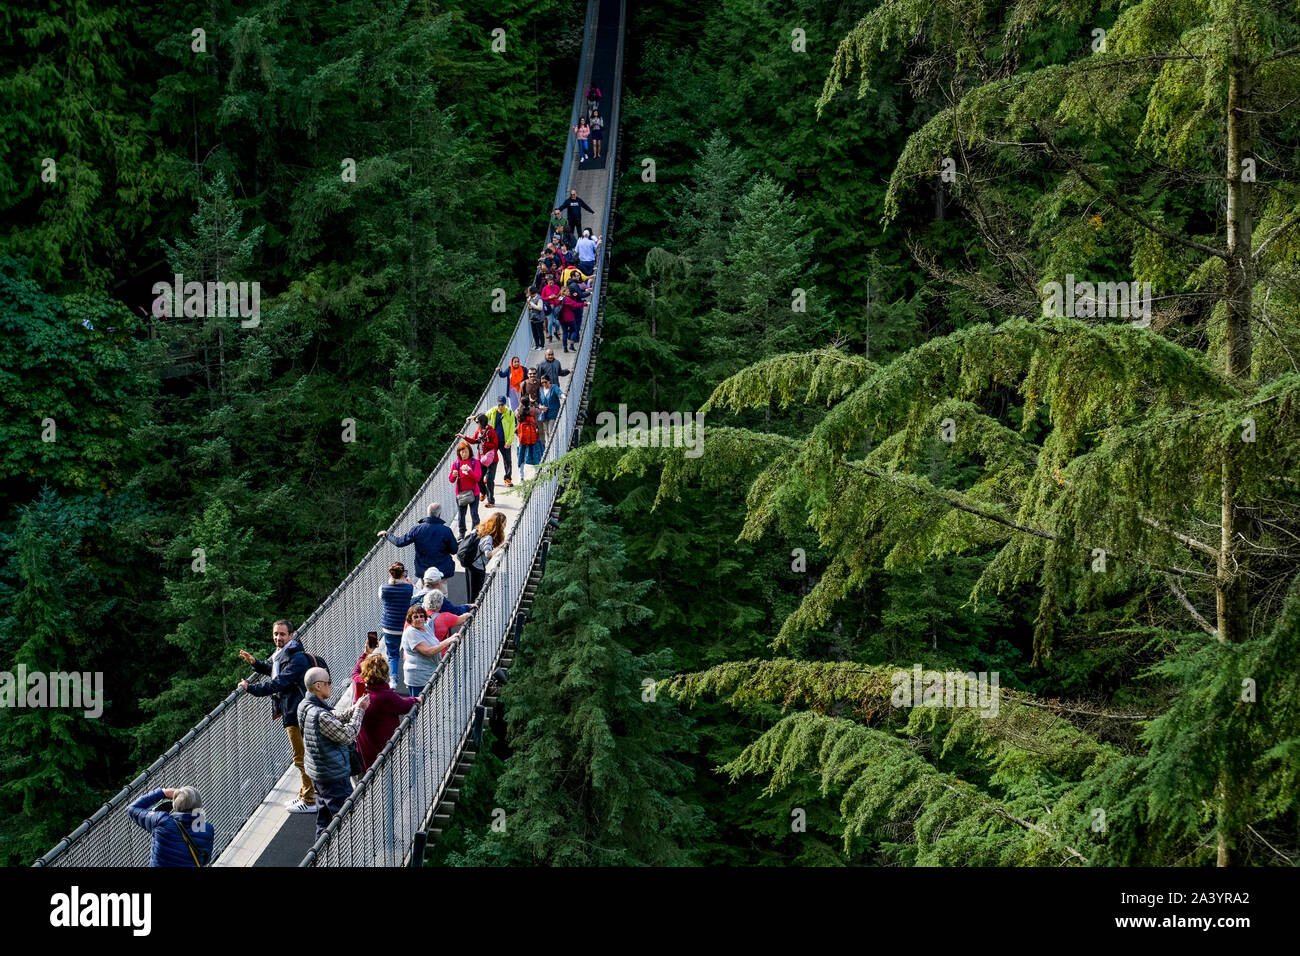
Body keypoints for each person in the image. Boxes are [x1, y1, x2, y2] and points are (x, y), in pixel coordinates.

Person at [238, 620, 326, 814]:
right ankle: (305, 793)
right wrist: (256, 664)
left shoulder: (297, 658)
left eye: (282, 634)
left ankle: (310, 800)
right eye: (275, 634)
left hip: (296, 712)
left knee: (301, 756)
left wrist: (250, 688)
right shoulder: (285, 654)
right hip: (292, 709)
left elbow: (279, 682)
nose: (278, 637)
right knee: (302, 755)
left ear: (291, 635)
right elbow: (275, 670)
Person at [297, 667, 369, 840]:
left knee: (324, 818)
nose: (331, 685)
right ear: (319, 685)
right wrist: (360, 711)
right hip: (333, 775)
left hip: (318, 772)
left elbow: (333, 717)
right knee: (344, 818)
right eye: (329, 683)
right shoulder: (319, 715)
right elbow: (347, 736)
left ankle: (320, 853)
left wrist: (355, 707)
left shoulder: (304, 705)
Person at [354, 656, 417, 773]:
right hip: (383, 749)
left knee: (367, 779)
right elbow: (404, 706)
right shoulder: (385, 696)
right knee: (385, 778)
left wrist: (365, 654)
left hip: (364, 747)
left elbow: (355, 673)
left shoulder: (360, 687)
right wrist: (415, 700)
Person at [127, 786, 215, 867]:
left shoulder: (162, 821)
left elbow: (132, 808)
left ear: (175, 804)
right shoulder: (207, 829)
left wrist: (163, 792)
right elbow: (205, 860)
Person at [376, 502, 457, 582]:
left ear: (428, 513)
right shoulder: (446, 531)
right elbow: (454, 550)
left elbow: (399, 542)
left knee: (425, 593)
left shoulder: (417, 529)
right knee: (441, 594)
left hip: (423, 571)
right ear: (439, 515)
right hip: (441, 571)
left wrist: (387, 534)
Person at [401, 605, 463, 697]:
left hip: (430, 673)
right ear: (410, 619)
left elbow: (435, 645)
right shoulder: (411, 632)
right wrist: (448, 641)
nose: (419, 619)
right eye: (415, 617)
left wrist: (468, 611)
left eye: (421, 616)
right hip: (419, 678)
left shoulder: (426, 627)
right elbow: (428, 651)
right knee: (421, 707)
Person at [377, 562, 413, 689]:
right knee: (409, 651)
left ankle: (393, 681)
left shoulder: (383, 588)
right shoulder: (409, 588)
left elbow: (382, 597)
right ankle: (410, 680)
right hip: (405, 626)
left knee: (392, 654)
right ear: (403, 574)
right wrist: (409, 583)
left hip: (389, 627)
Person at [459, 413, 501, 507]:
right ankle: (484, 492)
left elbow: (495, 445)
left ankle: (491, 501)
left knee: (490, 480)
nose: (476, 423)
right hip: (482, 459)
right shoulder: (478, 431)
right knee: (478, 477)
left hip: (492, 460)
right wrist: (464, 437)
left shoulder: (491, 431)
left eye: (477, 422)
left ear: (482, 423)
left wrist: (484, 443)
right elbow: (474, 441)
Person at [467, 512, 509, 602]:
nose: (505, 526)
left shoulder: (480, 528)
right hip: (477, 567)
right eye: (504, 524)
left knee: (471, 592)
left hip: (470, 562)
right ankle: (473, 613)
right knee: (477, 594)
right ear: (498, 525)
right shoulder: (488, 537)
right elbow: (488, 554)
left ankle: (470, 610)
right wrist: (500, 546)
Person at [449, 441, 482, 536]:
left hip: (473, 493)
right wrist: (453, 475)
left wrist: (469, 471)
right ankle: (461, 534)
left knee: (474, 513)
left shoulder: (475, 462)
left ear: (470, 452)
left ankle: (474, 532)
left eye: (466, 452)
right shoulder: (456, 464)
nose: (463, 454)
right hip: (461, 494)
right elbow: (451, 480)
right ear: (459, 453)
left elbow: (478, 477)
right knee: (461, 516)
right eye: (461, 452)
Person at [486, 397, 516, 487]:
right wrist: (475, 418)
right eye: (499, 405)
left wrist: (509, 442)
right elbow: (484, 418)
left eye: (502, 405)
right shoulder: (493, 411)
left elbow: (512, 429)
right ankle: (488, 477)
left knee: (507, 461)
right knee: (489, 459)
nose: (501, 407)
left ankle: (507, 478)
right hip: (494, 441)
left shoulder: (510, 413)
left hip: (505, 441)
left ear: (505, 404)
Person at [516, 400, 542, 478]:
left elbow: (516, 416)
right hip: (532, 437)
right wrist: (534, 403)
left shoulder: (518, 412)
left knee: (521, 455)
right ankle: (537, 473)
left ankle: (521, 476)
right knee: (535, 455)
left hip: (522, 437)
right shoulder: (534, 411)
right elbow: (540, 412)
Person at [537, 375, 563, 452]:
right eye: (542, 382)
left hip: (553, 413)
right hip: (544, 414)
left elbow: (559, 393)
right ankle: (550, 448)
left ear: (549, 381)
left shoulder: (554, 387)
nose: (543, 384)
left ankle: (553, 449)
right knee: (546, 432)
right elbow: (539, 401)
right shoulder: (541, 390)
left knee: (551, 430)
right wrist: (540, 406)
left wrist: (563, 396)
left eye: (545, 382)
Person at [541, 274, 564, 343]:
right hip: (549, 306)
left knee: (557, 322)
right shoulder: (544, 288)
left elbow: (561, 296)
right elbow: (542, 298)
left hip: (556, 305)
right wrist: (549, 297)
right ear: (547, 282)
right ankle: (550, 336)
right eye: (550, 283)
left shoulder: (556, 287)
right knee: (550, 322)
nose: (551, 284)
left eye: (552, 282)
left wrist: (557, 298)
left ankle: (555, 332)